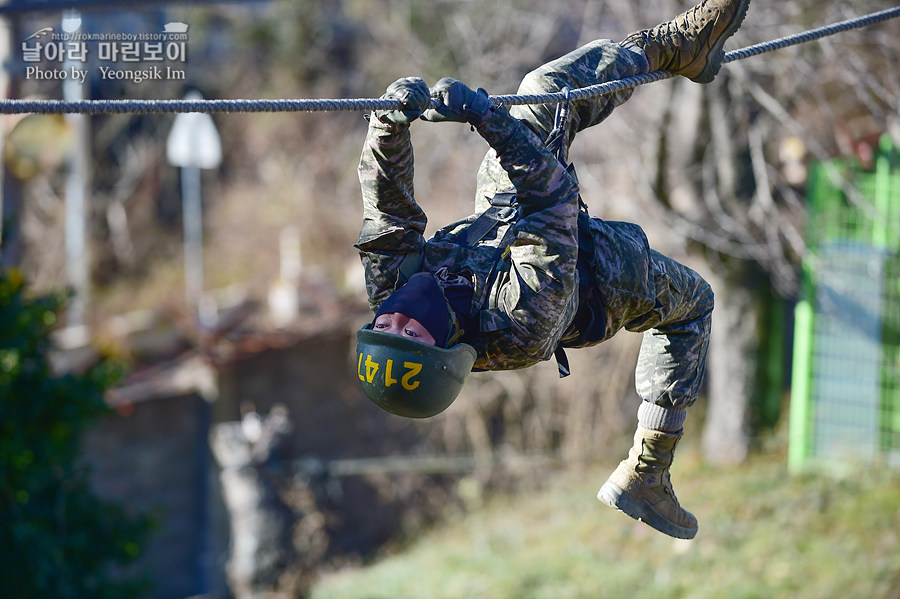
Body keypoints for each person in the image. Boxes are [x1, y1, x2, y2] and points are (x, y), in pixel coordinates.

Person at [354, 0, 750, 540]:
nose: (395, 319)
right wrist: (486, 119)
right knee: (695, 303)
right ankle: (649, 468)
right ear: (444, 349)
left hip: (499, 219)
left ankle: (679, 50)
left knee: (541, 95)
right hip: (600, 277)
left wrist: (389, 122)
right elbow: (551, 202)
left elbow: (388, 214)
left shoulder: (390, 293)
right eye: (410, 334)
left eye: (385, 330)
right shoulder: (520, 322)